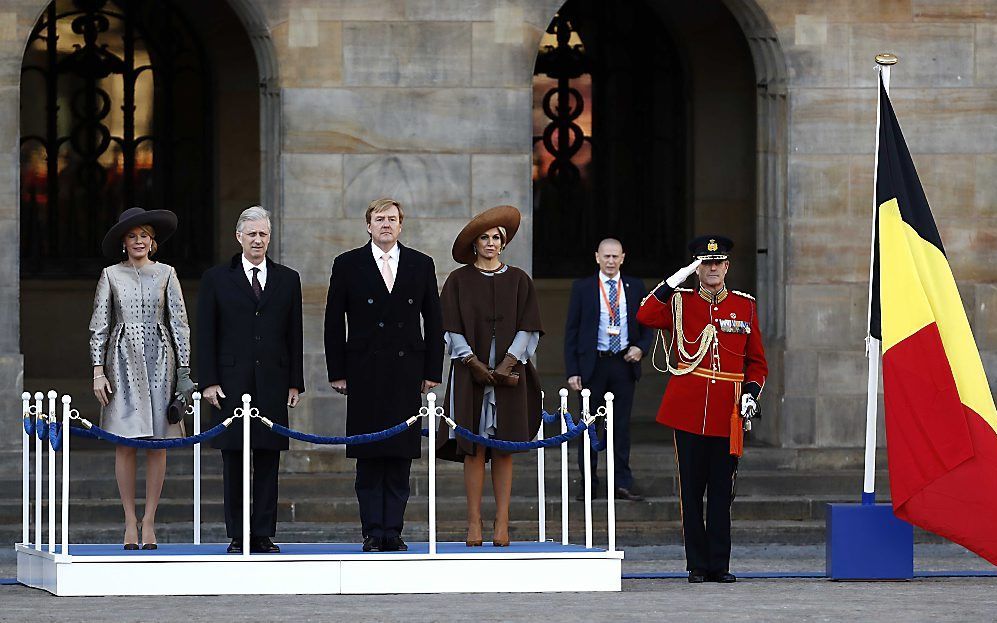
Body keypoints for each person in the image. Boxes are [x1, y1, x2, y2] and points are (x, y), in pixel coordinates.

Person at [636, 235, 767, 584]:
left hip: (728, 412)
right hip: (689, 409)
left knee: (722, 493)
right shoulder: (680, 302)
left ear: (727, 267)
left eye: (717, 263)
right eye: (704, 263)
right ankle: (697, 564)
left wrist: (751, 394)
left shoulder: (744, 306)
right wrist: (675, 280)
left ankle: (719, 565)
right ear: (697, 268)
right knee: (691, 492)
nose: (711, 268)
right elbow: (645, 314)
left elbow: (757, 363)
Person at [324, 198, 444, 553]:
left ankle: (393, 530)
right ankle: (372, 531)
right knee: (369, 455)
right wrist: (338, 372)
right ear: (368, 225)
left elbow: (434, 321)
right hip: (363, 371)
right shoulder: (348, 264)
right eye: (379, 219)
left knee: (399, 455)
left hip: (407, 371)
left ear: (401, 225)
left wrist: (431, 371)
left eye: (392, 219)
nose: (386, 225)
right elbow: (333, 322)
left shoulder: (421, 264)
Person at [198, 206, 304, 554]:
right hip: (230, 382)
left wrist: (294, 382)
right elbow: (206, 334)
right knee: (234, 460)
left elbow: (294, 334)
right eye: (252, 234)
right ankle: (238, 534)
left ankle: (262, 533)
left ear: (269, 238)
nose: (258, 240)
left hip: (273, 381)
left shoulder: (287, 279)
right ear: (238, 237)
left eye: (263, 234)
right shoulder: (216, 278)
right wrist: (209, 381)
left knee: (269, 457)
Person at [437, 205, 543, 547]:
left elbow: (529, 326)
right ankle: (474, 522)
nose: (491, 243)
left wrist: (508, 363)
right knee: (474, 448)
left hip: (510, 374)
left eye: (496, 237)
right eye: (484, 237)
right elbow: (449, 326)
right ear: (474, 244)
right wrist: (473, 363)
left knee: (503, 447)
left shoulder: (519, 280)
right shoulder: (458, 280)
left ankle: (502, 522)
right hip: (471, 374)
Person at [90, 207, 194, 550]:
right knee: (125, 442)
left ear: (153, 242)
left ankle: (149, 522)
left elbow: (179, 323)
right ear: (124, 242)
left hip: (160, 359)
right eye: (133, 236)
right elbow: (99, 325)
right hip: (121, 360)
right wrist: (97, 371)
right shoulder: (110, 275)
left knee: (157, 444)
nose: (139, 241)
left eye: (145, 236)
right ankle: (129, 523)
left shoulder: (166, 273)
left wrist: (184, 373)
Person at [564, 238, 654, 502]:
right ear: (597, 257)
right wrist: (572, 370)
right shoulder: (583, 288)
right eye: (606, 256)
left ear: (623, 258)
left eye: (615, 256)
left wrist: (641, 348)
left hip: (624, 364)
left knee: (621, 427)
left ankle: (622, 482)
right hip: (593, 365)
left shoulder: (635, 286)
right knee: (589, 426)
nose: (611, 261)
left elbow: (648, 324)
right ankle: (589, 482)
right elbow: (572, 331)